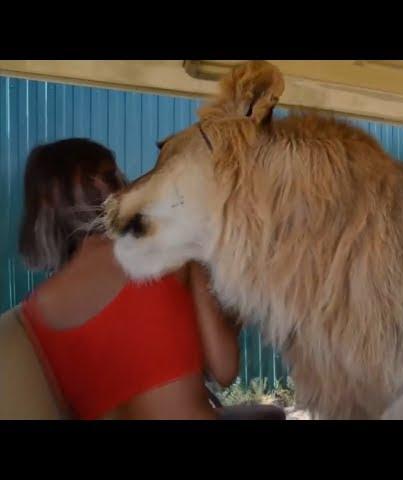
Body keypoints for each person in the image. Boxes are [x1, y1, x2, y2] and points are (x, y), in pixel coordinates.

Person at [13, 138, 285, 420]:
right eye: (114, 172)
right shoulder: (167, 252)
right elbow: (224, 369)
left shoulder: (35, 311)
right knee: (271, 415)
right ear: (98, 182)